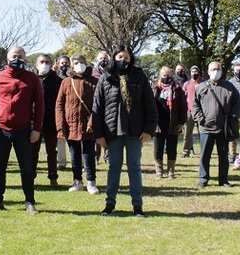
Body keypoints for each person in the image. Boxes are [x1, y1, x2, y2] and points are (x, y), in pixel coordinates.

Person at [92, 47, 157, 217]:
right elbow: (97, 108)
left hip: (135, 131)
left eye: (127, 57)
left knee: (134, 168)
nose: (124, 60)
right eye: (120, 56)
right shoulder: (106, 77)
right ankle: (109, 204)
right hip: (112, 131)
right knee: (114, 168)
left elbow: (150, 104)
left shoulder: (139, 75)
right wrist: (98, 134)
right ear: (114, 57)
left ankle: (137, 206)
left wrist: (149, 130)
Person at [0, 47, 44, 214]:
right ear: (7, 58)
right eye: (14, 56)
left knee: (27, 168)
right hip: (2, 130)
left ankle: (30, 202)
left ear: (25, 58)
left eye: (20, 56)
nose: (17, 58)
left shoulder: (32, 78)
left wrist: (37, 129)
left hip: (24, 131)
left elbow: (40, 106)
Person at [191, 61, 240, 187]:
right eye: (213, 69)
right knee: (204, 155)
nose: (216, 72)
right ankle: (203, 179)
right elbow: (195, 106)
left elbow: (236, 105)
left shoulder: (230, 87)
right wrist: (200, 119)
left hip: (223, 128)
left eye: (218, 69)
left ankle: (223, 180)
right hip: (205, 128)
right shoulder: (201, 87)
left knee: (223, 156)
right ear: (208, 72)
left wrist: (233, 117)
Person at [56, 54, 99, 193]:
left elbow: (98, 105)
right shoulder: (66, 82)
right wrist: (60, 126)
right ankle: (77, 181)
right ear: (71, 65)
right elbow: (59, 105)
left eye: (81, 62)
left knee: (89, 154)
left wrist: (93, 121)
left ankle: (91, 182)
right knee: (74, 155)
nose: (78, 64)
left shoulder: (94, 81)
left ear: (86, 63)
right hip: (71, 124)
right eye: (75, 62)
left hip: (88, 125)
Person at [32, 54, 62, 186]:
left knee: (51, 151)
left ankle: (53, 177)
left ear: (51, 64)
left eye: (47, 62)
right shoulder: (31, 79)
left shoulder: (57, 80)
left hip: (51, 121)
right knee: (33, 151)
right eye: (42, 61)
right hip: (34, 122)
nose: (44, 64)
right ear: (36, 64)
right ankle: (31, 177)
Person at [153, 66, 188, 179]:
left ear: (171, 75)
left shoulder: (178, 88)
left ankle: (171, 171)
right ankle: (159, 170)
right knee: (158, 147)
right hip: (158, 123)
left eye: (168, 75)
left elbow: (183, 107)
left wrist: (181, 122)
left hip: (173, 122)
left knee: (172, 147)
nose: (166, 77)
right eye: (163, 75)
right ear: (160, 75)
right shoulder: (155, 88)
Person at [181, 65, 202, 158]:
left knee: (202, 133)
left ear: (199, 73)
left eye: (196, 71)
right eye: (192, 72)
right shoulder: (186, 84)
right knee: (187, 133)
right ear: (190, 73)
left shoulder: (203, 83)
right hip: (189, 111)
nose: (194, 73)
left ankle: (204, 152)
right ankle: (186, 152)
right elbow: (182, 97)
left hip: (201, 112)